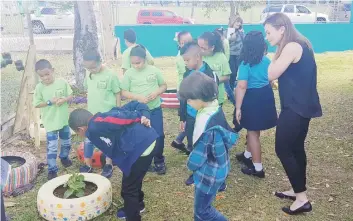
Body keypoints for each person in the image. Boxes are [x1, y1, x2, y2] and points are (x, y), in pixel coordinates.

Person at [264, 13, 322, 215]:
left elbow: (270, 73)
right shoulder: (300, 43)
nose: (267, 37)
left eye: (269, 32)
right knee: (296, 149)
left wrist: (275, 54)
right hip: (302, 106)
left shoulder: (290, 46)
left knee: (283, 149)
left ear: (282, 29)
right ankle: (298, 190)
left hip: (295, 108)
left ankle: (302, 199)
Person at [68, 101, 158, 221]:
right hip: (144, 145)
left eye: (77, 133)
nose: (79, 135)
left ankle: (133, 216)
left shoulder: (95, 124)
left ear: (81, 128)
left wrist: (140, 117)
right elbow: (132, 105)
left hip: (141, 147)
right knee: (134, 178)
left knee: (128, 189)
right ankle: (138, 205)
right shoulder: (98, 121)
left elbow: (119, 118)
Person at [178, 72, 238, 221]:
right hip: (219, 168)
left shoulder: (207, 126)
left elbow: (197, 158)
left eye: (190, 99)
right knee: (202, 208)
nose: (188, 103)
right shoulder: (214, 108)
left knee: (203, 211)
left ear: (202, 97)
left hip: (209, 174)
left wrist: (190, 165)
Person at [234, 31, 277, 178]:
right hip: (265, 95)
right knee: (254, 128)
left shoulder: (245, 64)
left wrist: (238, 107)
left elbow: (241, 86)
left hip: (252, 98)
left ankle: (258, 169)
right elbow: (271, 79)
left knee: (252, 132)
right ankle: (247, 155)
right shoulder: (266, 61)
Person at [178, 41, 222, 186]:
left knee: (208, 145)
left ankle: (211, 172)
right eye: (184, 60)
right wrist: (182, 117)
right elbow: (183, 97)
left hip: (206, 118)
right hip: (191, 117)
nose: (185, 63)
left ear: (197, 56)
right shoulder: (186, 74)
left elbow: (215, 98)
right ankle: (196, 173)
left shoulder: (210, 75)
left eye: (187, 60)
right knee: (192, 142)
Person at [121, 45, 168, 175]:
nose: (136, 65)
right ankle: (143, 162)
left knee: (158, 135)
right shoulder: (129, 73)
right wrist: (137, 98)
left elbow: (164, 85)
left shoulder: (154, 70)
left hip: (154, 109)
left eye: (138, 62)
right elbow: (123, 92)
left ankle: (159, 161)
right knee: (140, 137)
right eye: (133, 63)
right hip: (138, 112)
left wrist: (156, 92)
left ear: (145, 59)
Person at [81, 49, 121, 178]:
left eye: (93, 67)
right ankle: (88, 165)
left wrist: (118, 111)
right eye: (87, 68)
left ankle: (108, 164)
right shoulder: (89, 74)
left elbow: (117, 93)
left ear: (100, 61)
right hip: (92, 114)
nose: (90, 70)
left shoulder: (111, 75)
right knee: (89, 140)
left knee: (107, 140)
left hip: (107, 115)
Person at [33, 59, 73, 180]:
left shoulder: (62, 82)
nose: (45, 78)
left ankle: (64, 157)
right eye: (41, 76)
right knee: (52, 147)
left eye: (47, 74)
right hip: (50, 123)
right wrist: (49, 102)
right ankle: (52, 169)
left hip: (64, 121)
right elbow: (37, 104)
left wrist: (64, 100)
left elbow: (70, 95)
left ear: (53, 71)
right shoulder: (39, 88)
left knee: (66, 142)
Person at [171, 31, 193, 152]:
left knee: (190, 118)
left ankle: (178, 140)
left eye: (190, 41)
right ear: (180, 43)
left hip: (186, 89)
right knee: (189, 118)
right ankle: (182, 142)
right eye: (186, 42)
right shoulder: (182, 57)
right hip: (184, 90)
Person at [198, 32, 232, 106]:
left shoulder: (221, 57)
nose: (200, 50)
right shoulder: (199, 57)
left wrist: (213, 81)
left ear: (212, 47)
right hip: (201, 97)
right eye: (198, 47)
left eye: (203, 48)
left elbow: (227, 76)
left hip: (217, 97)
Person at [214, 27, 235, 105]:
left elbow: (227, 54)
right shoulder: (223, 41)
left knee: (227, 87)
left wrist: (224, 64)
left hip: (224, 67)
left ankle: (234, 101)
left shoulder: (225, 41)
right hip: (223, 66)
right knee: (227, 87)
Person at [228, 16, 244, 93]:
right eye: (237, 21)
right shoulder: (230, 31)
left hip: (239, 55)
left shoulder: (241, 31)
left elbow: (244, 41)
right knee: (233, 73)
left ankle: (237, 88)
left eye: (240, 22)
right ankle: (230, 90)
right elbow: (232, 39)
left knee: (239, 72)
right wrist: (233, 30)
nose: (239, 23)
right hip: (231, 55)